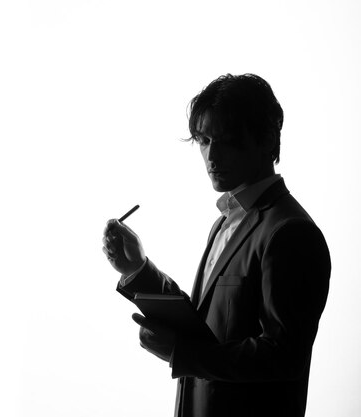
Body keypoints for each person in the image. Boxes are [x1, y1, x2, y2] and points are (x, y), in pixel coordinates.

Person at [102, 74, 331, 417]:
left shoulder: (290, 232)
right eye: (204, 140)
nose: (212, 155)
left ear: (267, 139)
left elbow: (284, 357)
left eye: (226, 140)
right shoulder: (225, 220)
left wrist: (183, 355)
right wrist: (138, 268)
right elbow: (206, 326)